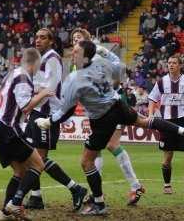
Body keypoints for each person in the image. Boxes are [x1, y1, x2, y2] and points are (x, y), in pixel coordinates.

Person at [35, 40, 184, 215]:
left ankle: (99, 203)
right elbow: (119, 66)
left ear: (84, 55)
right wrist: (105, 51)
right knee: (144, 122)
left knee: (86, 162)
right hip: (118, 106)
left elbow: (66, 110)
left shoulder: (74, 79)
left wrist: (49, 122)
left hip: (102, 119)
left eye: (76, 52)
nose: (72, 54)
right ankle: (181, 130)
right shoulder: (100, 63)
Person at [71, 28, 145, 205]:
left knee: (111, 145)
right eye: (73, 39)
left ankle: (134, 186)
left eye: (78, 38)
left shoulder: (97, 54)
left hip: (111, 105)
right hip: (97, 109)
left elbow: (118, 73)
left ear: (87, 41)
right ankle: (98, 192)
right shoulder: (78, 60)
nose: (75, 41)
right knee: (96, 150)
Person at [24, 28, 87, 211]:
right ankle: (36, 197)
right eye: (36, 37)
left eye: (42, 37)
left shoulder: (52, 58)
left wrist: (31, 94)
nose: (38, 40)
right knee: (30, 157)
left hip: (47, 113)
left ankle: (76, 189)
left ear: (51, 41)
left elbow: (50, 87)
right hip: (36, 111)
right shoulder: (40, 58)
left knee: (39, 159)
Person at [0, 48, 53, 220]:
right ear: (35, 63)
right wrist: (42, 93)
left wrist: (36, 92)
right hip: (9, 129)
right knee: (38, 165)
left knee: (19, 172)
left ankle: (5, 213)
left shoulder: (13, 74)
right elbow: (25, 106)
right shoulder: (23, 77)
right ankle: (15, 203)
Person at [148, 53, 184, 194]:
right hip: (167, 122)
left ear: (180, 65)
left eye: (174, 63)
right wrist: (151, 114)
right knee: (167, 157)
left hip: (182, 119)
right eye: (169, 62)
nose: (171, 65)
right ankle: (167, 185)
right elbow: (152, 98)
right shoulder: (162, 81)